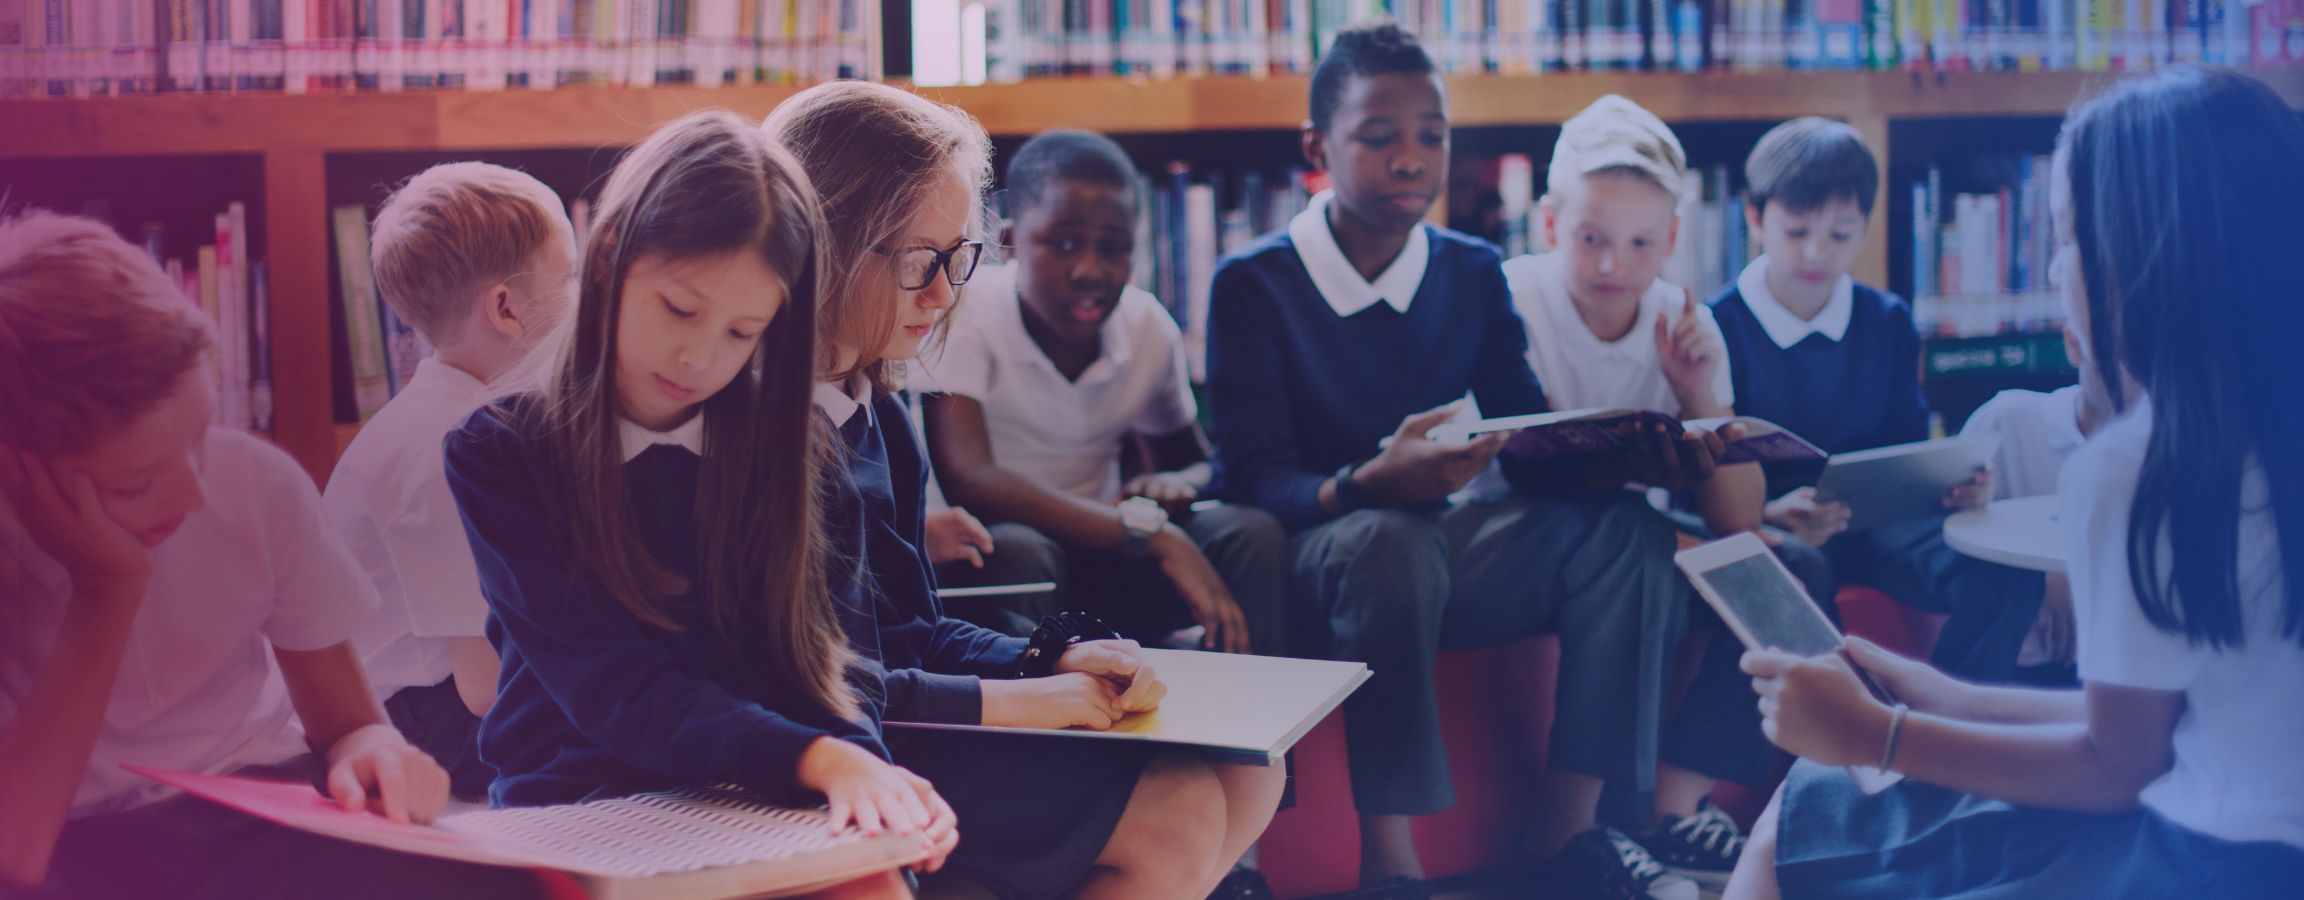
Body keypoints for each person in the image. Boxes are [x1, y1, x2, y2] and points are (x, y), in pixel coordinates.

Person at [1727, 66, 2304, 900]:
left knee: (1799, 819)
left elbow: (2119, 763)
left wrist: (1875, 734)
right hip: (2249, 829)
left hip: (2206, 857)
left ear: (2136, 263)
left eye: (2067, 241)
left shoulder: (2138, 465)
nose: (2056, 273)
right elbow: (2177, 721)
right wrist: (1948, 700)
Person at [1207, 22, 1735, 900]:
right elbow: (1254, 482)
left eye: (1433, 134)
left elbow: (1528, 456)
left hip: (1442, 554)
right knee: (1390, 538)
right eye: (1379, 135)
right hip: (1314, 560)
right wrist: (1369, 483)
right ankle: (1394, 866)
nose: (1411, 158)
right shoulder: (1254, 283)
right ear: (1319, 149)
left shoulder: (1471, 271)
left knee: (1626, 531)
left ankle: (1572, 827)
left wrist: (1631, 461)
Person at [765, 81, 1286, 899]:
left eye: (957, 259)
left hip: (903, 715)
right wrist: (1025, 700)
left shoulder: (879, 407)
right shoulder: (769, 432)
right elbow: (833, 688)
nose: (943, 295)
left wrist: (1053, 657)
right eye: (919, 261)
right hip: (836, 749)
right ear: (824, 238)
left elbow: (916, 631)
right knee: (1178, 809)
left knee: (1254, 769)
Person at [441, 110, 945, 899]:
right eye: (680, 309)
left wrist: (864, 776)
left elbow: (838, 662)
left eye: (743, 332)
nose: (699, 357)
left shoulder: (800, 443)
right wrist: (820, 760)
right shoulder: (501, 452)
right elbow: (618, 690)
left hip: (757, 785)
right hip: (581, 800)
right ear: (610, 256)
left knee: (875, 884)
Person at [0, 210, 535, 899]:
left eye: (199, 433)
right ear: (17, 469)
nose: (192, 492)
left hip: (256, 807)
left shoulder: (256, 487)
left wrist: (379, 755)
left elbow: (348, 725)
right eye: (137, 480)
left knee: (502, 887)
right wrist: (105, 590)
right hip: (70, 838)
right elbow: (15, 851)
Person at [919, 127, 1287, 654]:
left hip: (1104, 548)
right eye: (1064, 244)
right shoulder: (966, 308)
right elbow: (973, 481)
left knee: (1248, 531)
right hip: (995, 552)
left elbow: (1197, 463)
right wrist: (1148, 532)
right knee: (1018, 548)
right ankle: (1033, 700)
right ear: (1013, 241)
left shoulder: (1146, 326)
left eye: (1114, 248)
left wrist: (1172, 483)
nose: (1090, 270)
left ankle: (1254, 696)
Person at [328, 162, 577, 798]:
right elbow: (486, 688)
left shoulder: (491, 419)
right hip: (417, 715)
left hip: (459, 688)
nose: (585, 300)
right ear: (506, 309)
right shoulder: (442, 454)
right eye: (570, 278)